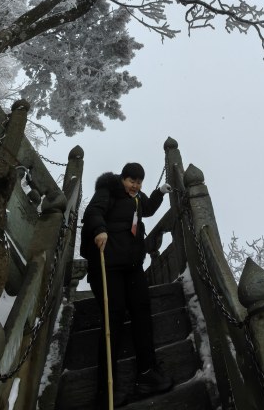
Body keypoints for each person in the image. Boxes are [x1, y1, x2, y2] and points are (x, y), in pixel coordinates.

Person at [81, 162, 173, 408]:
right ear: (122, 179)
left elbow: (150, 209)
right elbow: (93, 212)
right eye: (132, 181)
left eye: (139, 182)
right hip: (107, 266)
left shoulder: (138, 198)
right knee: (115, 317)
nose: (135, 186)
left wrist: (160, 193)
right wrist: (100, 229)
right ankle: (104, 391)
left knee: (142, 310)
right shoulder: (107, 191)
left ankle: (146, 373)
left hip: (132, 266)